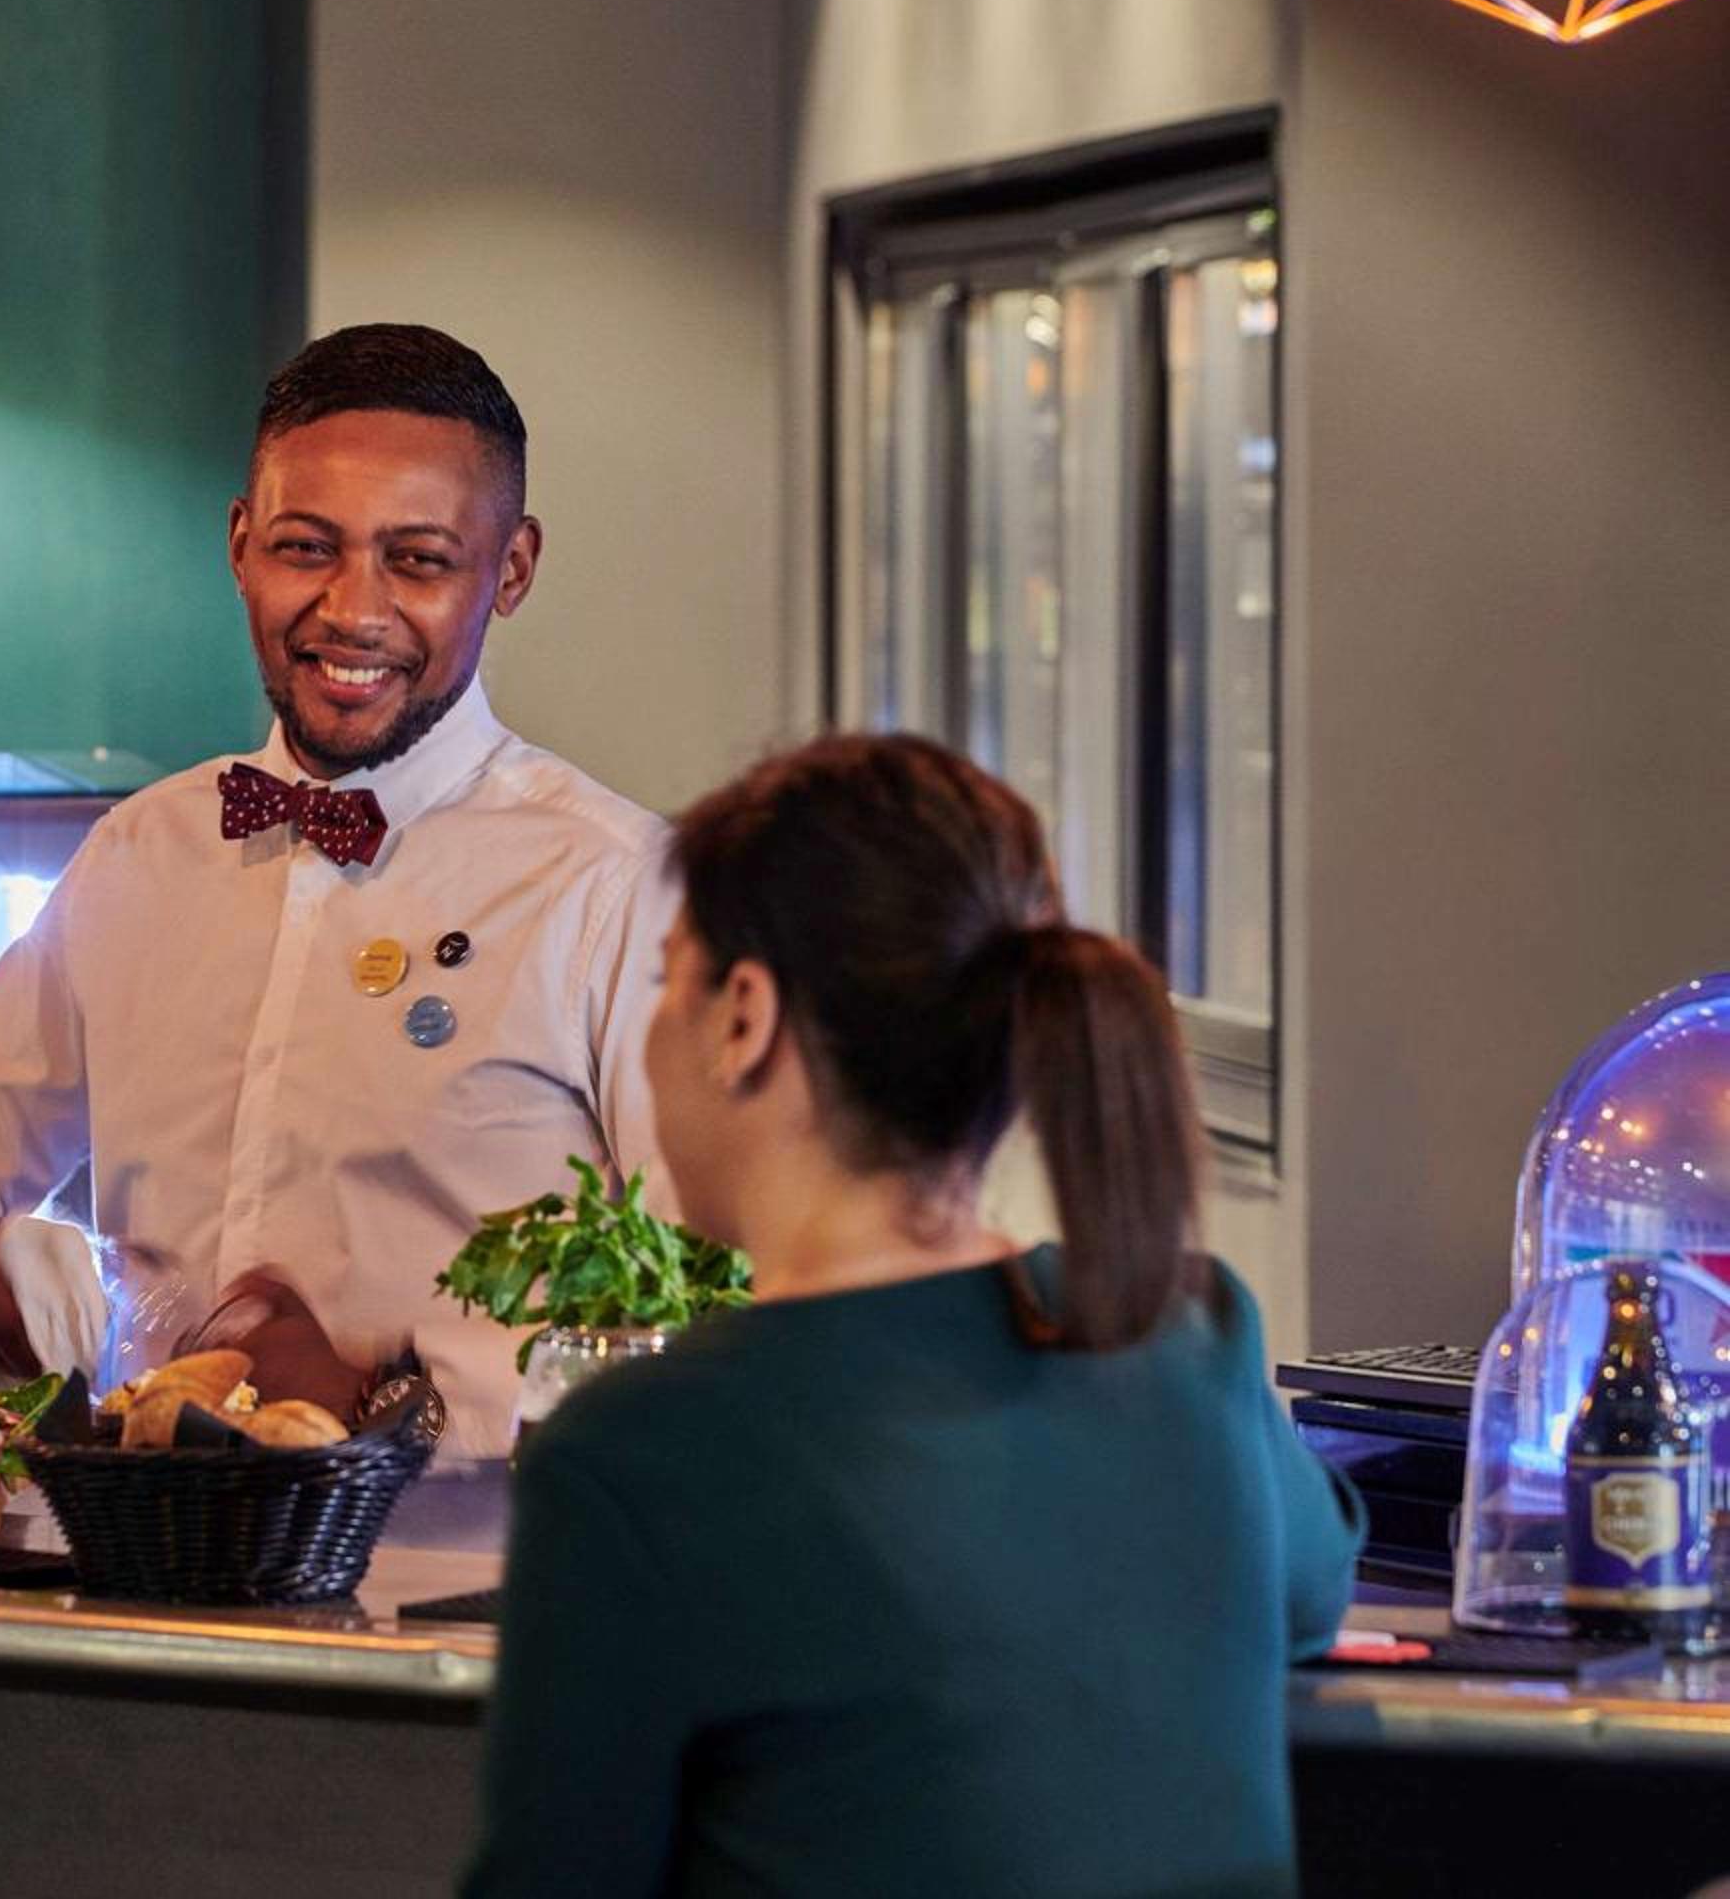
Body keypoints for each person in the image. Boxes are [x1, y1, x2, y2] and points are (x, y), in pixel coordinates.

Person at [463, 734, 1360, 1899]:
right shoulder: (1187, 1329)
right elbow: (1307, 1596)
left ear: (744, 1018)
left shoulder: (642, 1452)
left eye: (665, 983)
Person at [0, 324, 669, 1446]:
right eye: (306, 547)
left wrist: (389, 1408)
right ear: (242, 546)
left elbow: (727, 1313)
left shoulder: (619, 889)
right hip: (141, 1538)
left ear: (511, 569)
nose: (354, 610)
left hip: (468, 1553)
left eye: (418, 560)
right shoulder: (140, 856)